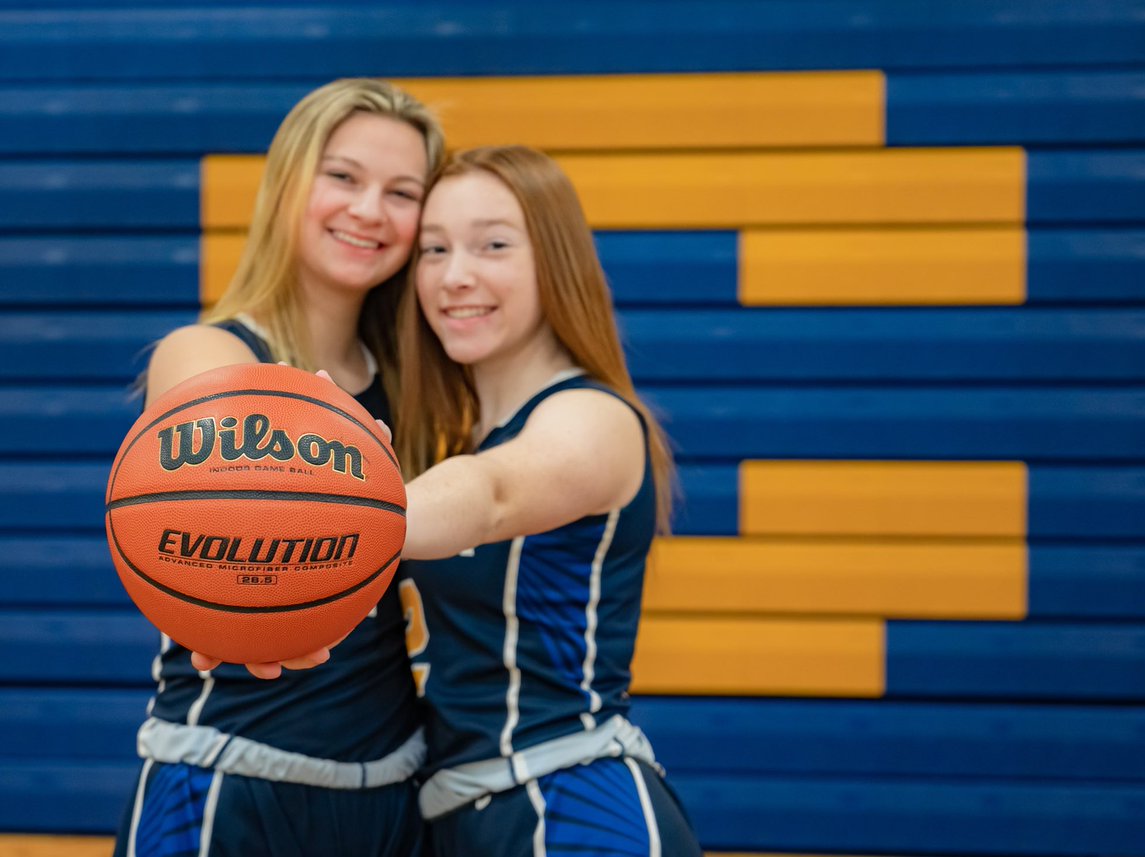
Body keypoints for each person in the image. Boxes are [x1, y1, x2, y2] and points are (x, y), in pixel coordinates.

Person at [112, 78, 444, 857]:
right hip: (228, 780)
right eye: (343, 177)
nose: (370, 210)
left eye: (402, 192)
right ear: (288, 183)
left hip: (390, 791)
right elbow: (229, 494)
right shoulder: (209, 352)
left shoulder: (414, 386)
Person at [394, 145, 704, 855]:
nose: (455, 274)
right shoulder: (457, 437)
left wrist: (328, 523)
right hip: (466, 818)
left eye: (493, 245)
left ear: (555, 262)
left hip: (574, 807)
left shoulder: (595, 417)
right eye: (434, 249)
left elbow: (494, 495)